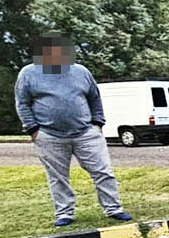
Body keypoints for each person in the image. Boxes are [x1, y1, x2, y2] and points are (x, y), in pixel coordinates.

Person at [13, 35, 132, 227]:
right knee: (58, 177)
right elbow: (22, 103)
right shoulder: (28, 73)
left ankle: (113, 208)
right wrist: (33, 129)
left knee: (103, 171)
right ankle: (64, 213)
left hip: (86, 132)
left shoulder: (80, 72)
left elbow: (94, 97)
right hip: (49, 135)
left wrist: (98, 123)